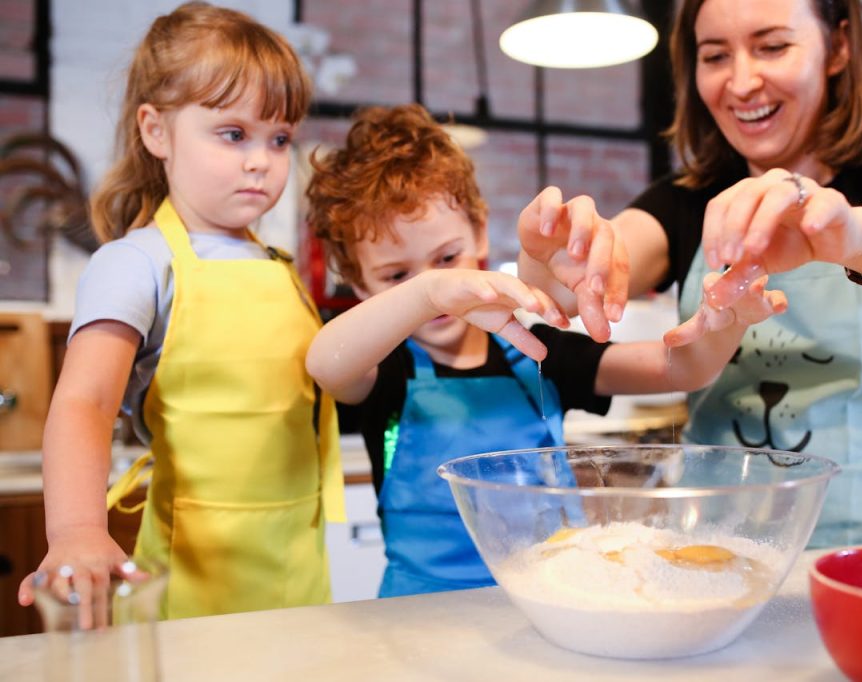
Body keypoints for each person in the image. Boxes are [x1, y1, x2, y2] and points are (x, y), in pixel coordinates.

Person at [516, 0, 862, 548]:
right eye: (714, 56)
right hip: (716, 557)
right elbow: (569, 290)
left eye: (772, 47)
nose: (741, 82)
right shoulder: (680, 203)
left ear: (839, 46)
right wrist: (549, 259)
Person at [304, 103, 788, 598]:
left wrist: (728, 324)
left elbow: (684, 368)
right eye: (395, 276)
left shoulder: (537, 352)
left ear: (479, 232)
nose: (439, 285)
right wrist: (426, 291)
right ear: (360, 286)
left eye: (447, 259)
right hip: (415, 611)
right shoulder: (384, 369)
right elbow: (325, 363)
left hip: (549, 596)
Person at [18, 2, 346, 620]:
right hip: (190, 575)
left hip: (299, 565)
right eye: (233, 134)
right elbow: (83, 402)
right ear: (156, 130)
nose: (261, 160)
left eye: (279, 139)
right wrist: (74, 529)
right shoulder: (136, 262)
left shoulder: (279, 264)